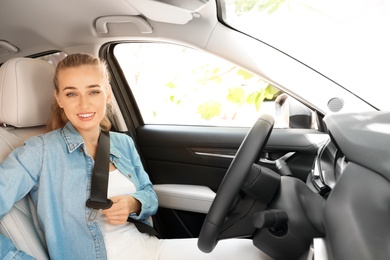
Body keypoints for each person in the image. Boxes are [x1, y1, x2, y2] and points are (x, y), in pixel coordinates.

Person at [0, 53, 271, 259]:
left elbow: (148, 195)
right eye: (72, 94)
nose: (84, 104)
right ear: (59, 98)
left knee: (253, 251)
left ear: (107, 93)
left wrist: (133, 203)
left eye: (93, 91)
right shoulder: (40, 151)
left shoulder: (121, 143)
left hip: (150, 249)